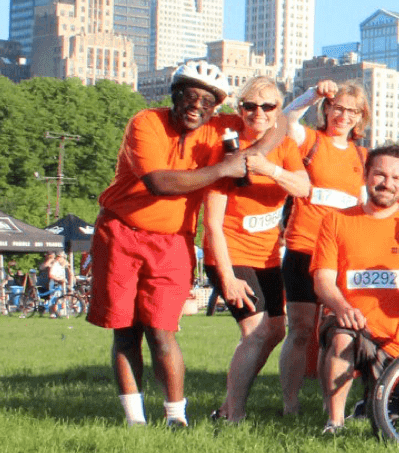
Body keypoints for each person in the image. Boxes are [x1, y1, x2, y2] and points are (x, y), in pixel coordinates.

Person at [89, 63, 270, 426]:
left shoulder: (219, 129)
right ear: (174, 95)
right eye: (191, 95)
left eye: (208, 101)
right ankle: (134, 419)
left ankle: (176, 417)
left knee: (162, 330)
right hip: (122, 231)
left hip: (173, 241)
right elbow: (159, 182)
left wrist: (300, 104)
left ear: (216, 108)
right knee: (126, 330)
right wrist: (222, 169)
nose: (197, 106)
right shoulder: (146, 122)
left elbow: (272, 130)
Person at [311, 145, 399, 434]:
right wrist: (342, 308)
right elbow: (323, 281)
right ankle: (334, 423)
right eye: (380, 174)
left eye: (396, 178)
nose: (387, 183)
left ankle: (371, 400)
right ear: (366, 175)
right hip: (350, 322)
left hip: (397, 343)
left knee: (388, 419)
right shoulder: (336, 220)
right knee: (342, 338)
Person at [201, 77, 312, 423]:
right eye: (250, 105)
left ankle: (226, 406)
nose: (258, 113)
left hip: (266, 255)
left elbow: (303, 187)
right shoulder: (227, 147)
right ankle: (234, 414)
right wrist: (227, 276)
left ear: (278, 110)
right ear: (239, 108)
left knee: (276, 330)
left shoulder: (282, 145)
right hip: (231, 254)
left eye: (268, 106)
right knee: (256, 331)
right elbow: (212, 224)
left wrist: (268, 168)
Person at [278, 78, 370, 417]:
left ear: (361, 117)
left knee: (334, 333)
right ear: (327, 109)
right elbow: (287, 118)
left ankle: (330, 403)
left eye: (352, 111)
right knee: (300, 329)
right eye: (338, 108)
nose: (344, 116)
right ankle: (290, 404)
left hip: (340, 255)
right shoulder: (312, 141)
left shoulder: (363, 156)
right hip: (303, 246)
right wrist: (312, 94)